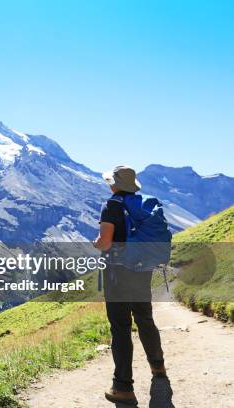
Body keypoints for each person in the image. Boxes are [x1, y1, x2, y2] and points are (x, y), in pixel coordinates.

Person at [93, 165, 167, 406]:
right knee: (145, 319)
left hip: (118, 273)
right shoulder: (143, 205)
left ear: (114, 184)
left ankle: (123, 387)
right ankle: (158, 368)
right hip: (142, 269)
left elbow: (105, 243)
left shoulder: (112, 205)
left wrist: (98, 243)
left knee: (121, 327)